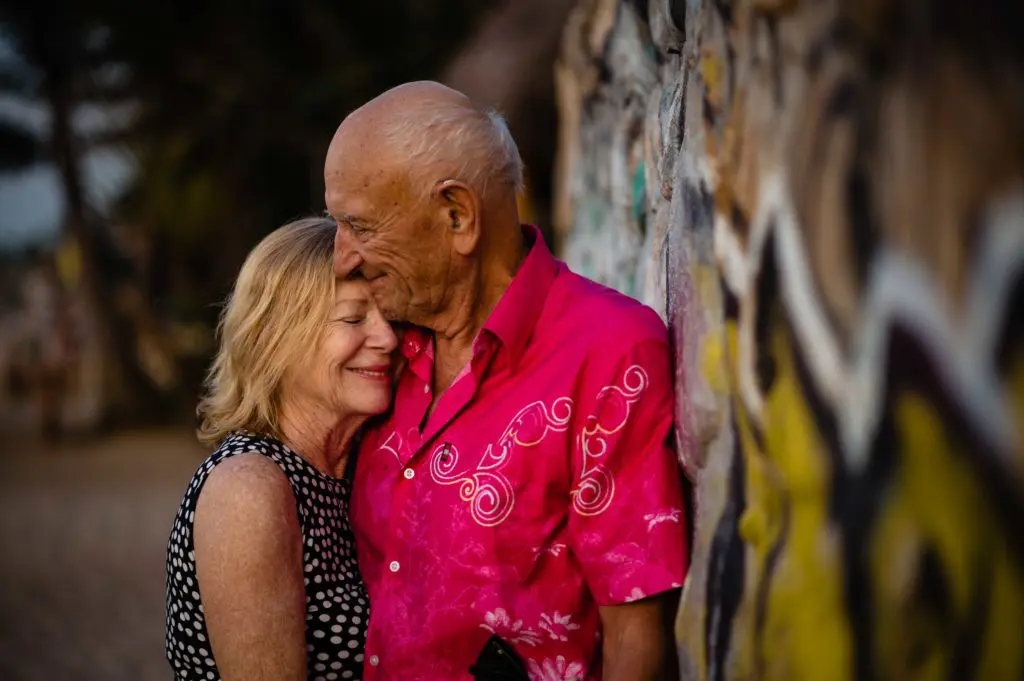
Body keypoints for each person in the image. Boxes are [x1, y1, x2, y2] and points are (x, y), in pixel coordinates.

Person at [325, 82, 689, 681]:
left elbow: (636, 633)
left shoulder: (609, 354)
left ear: (457, 216)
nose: (342, 258)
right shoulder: (379, 343)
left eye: (358, 225)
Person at [165, 217, 397, 681]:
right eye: (353, 319)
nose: (388, 339)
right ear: (279, 340)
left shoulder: (358, 470)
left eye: (390, 318)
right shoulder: (249, 490)